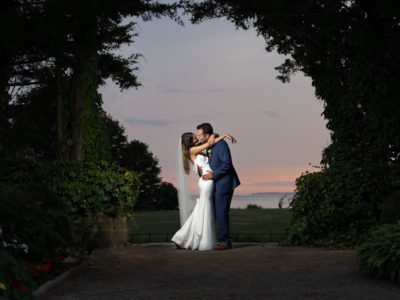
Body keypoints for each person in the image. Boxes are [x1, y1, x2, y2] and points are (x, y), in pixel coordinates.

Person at [171, 131, 236, 251]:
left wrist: (213, 134)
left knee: (202, 209)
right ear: (188, 144)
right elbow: (209, 143)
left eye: (196, 137)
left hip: (208, 179)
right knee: (204, 210)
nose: (197, 139)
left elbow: (209, 139)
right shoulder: (192, 150)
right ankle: (188, 238)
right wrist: (225, 135)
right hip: (207, 181)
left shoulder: (195, 148)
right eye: (194, 139)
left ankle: (182, 237)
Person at [196, 123, 240, 250]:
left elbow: (227, 164)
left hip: (225, 183)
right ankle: (214, 238)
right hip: (216, 183)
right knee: (214, 212)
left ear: (207, 135)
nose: (198, 137)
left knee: (221, 212)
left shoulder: (221, 145)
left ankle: (225, 241)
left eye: (200, 135)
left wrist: (212, 175)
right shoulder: (209, 144)